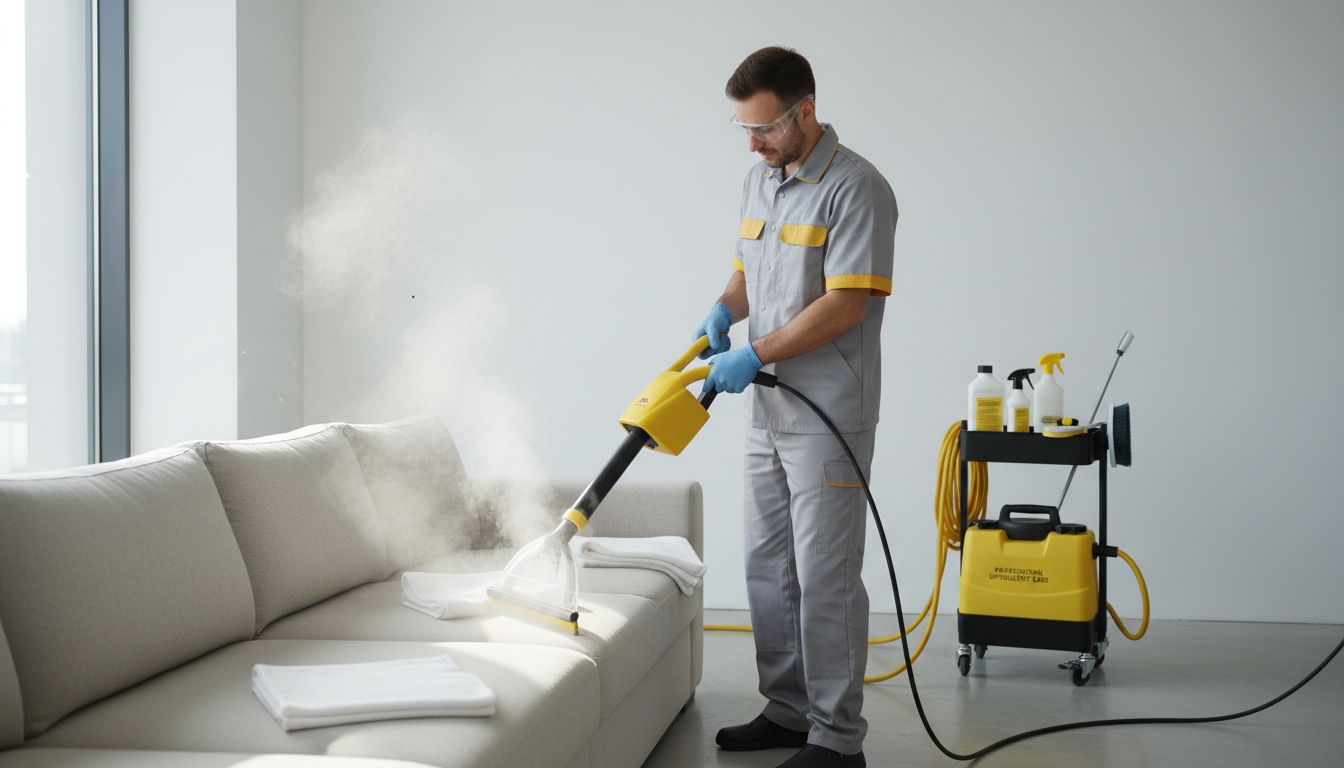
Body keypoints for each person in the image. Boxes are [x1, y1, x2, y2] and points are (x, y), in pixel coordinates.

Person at [693, 46, 897, 768]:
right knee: (768, 566)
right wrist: (722, 310)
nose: (753, 143)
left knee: (825, 575)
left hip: (828, 416)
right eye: (744, 129)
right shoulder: (760, 180)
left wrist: (758, 353)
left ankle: (838, 741)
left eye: (767, 128)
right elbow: (748, 270)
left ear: (806, 111)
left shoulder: (856, 188)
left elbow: (847, 302)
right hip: (768, 413)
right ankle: (788, 709)